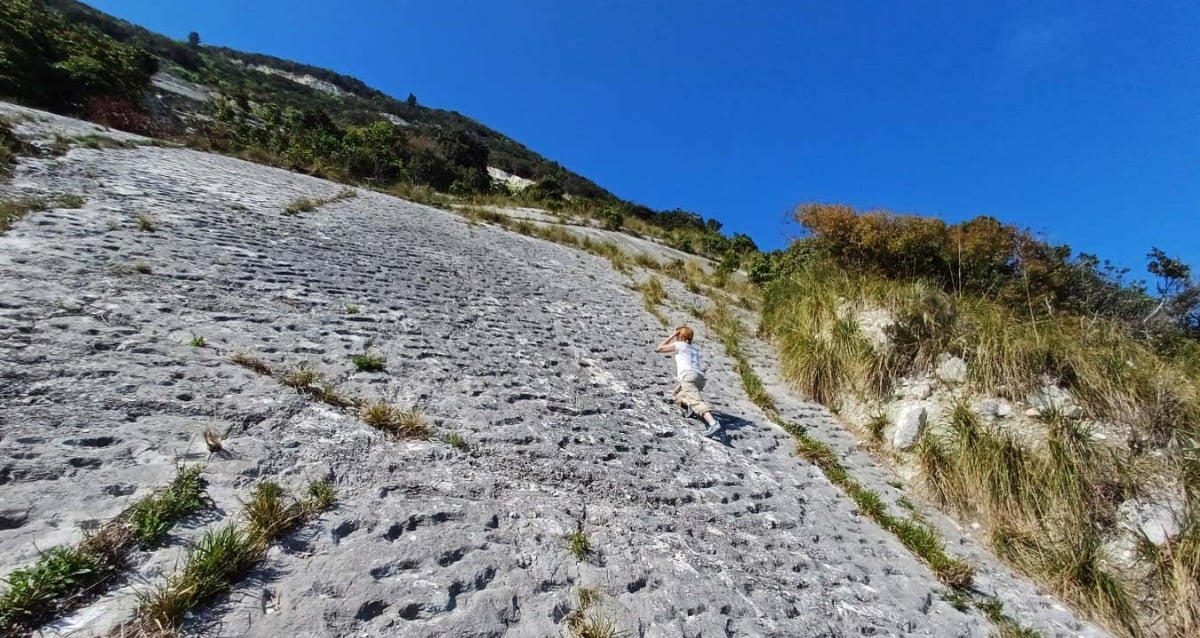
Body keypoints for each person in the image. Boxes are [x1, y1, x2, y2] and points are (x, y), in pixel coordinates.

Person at [655, 325, 722, 438]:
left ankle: (713, 423)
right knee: (680, 396)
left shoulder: (680, 345)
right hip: (699, 378)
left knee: (696, 401)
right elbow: (690, 369)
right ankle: (690, 406)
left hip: (688, 377)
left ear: (680, 336)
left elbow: (659, 348)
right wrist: (677, 389)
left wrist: (672, 335)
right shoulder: (693, 349)